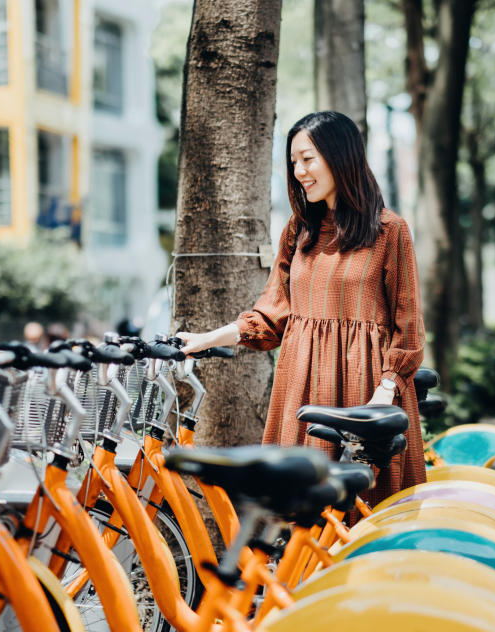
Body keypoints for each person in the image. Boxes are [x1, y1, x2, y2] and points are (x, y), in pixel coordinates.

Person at [175, 111, 427, 505]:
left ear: (340, 156)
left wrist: (386, 391)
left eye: (307, 159)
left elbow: (408, 325)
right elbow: (272, 315)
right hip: (302, 386)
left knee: (369, 516)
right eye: (293, 162)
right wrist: (208, 338)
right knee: (303, 516)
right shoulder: (299, 231)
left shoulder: (389, 230)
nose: (298, 171)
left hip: (367, 387)